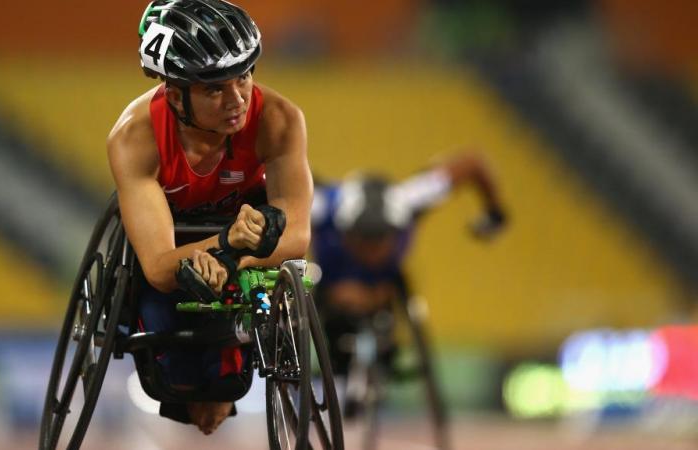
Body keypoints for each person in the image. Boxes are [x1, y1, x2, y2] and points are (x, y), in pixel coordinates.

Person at [106, 0, 312, 435]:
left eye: (244, 77)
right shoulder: (134, 136)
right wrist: (223, 245)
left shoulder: (279, 119)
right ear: (174, 92)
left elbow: (296, 235)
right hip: (180, 251)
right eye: (214, 89)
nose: (237, 99)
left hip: (250, 245)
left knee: (223, 389)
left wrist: (233, 257)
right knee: (178, 379)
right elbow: (161, 268)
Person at [310, 151, 507, 403]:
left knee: (387, 291)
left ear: (397, 230)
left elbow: (473, 164)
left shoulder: (411, 200)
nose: (371, 253)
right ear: (344, 230)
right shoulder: (320, 206)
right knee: (337, 298)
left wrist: (495, 211)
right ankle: (338, 355)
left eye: (379, 243)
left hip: (386, 281)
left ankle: (384, 348)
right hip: (334, 275)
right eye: (363, 242)